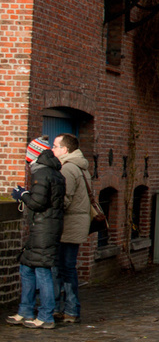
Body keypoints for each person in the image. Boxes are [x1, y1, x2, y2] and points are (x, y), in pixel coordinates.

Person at [7, 138, 65, 329]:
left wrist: (22, 195)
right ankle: (25, 311)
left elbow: (39, 203)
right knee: (27, 267)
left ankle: (45, 316)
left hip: (44, 229)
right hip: (45, 228)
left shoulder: (43, 174)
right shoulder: (54, 173)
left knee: (42, 271)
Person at [52, 134, 90, 324]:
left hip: (69, 226)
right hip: (77, 224)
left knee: (65, 269)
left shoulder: (67, 168)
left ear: (64, 150)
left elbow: (64, 200)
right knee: (65, 268)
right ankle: (65, 309)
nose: (52, 150)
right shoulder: (80, 166)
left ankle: (69, 309)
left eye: (55, 146)